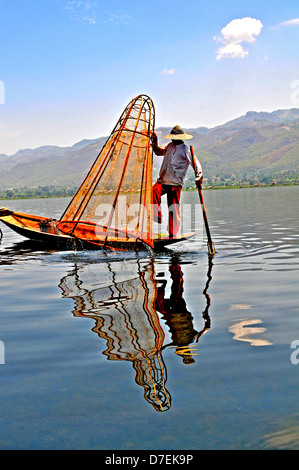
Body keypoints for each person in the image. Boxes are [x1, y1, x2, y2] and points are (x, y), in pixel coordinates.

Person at [151, 125, 202, 238]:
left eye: (174, 138)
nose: (173, 140)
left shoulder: (185, 150)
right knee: (153, 192)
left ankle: (172, 233)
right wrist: (154, 143)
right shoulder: (169, 146)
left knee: (173, 208)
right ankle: (157, 216)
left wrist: (198, 175)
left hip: (175, 183)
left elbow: (195, 163)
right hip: (163, 180)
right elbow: (159, 152)